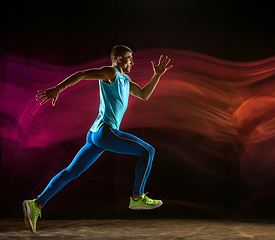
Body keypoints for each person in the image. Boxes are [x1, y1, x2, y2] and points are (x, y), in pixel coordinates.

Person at [22, 45, 173, 233]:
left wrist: (157, 75)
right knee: (148, 151)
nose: (132, 61)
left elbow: (144, 94)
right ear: (118, 59)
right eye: (129, 58)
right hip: (105, 132)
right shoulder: (112, 73)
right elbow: (81, 74)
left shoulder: (125, 80)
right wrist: (58, 89)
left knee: (71, 172)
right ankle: (137, 197)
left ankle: (36, 204)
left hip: (95, 135)